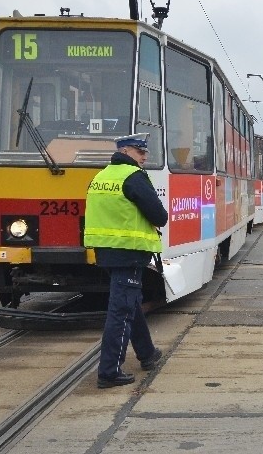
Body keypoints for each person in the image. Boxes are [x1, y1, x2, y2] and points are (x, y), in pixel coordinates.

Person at [84, 133, 169, 389]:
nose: (145, 156)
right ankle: (109, 370)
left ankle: (147, 353)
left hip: (107, 252)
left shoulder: (100, 177)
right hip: (129, 252)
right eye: (140, 152)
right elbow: (159, 215)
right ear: (127, 151)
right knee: (120, 311)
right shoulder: (133, 177)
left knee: (130, 302)